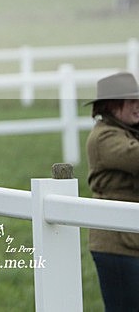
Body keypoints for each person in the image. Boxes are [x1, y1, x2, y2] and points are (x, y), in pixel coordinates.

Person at [85, 71, 139, 311]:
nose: (137, 106)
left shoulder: (126, 131)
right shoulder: (105, 137)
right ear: (112, 105)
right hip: (116, 244)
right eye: (131, 101)